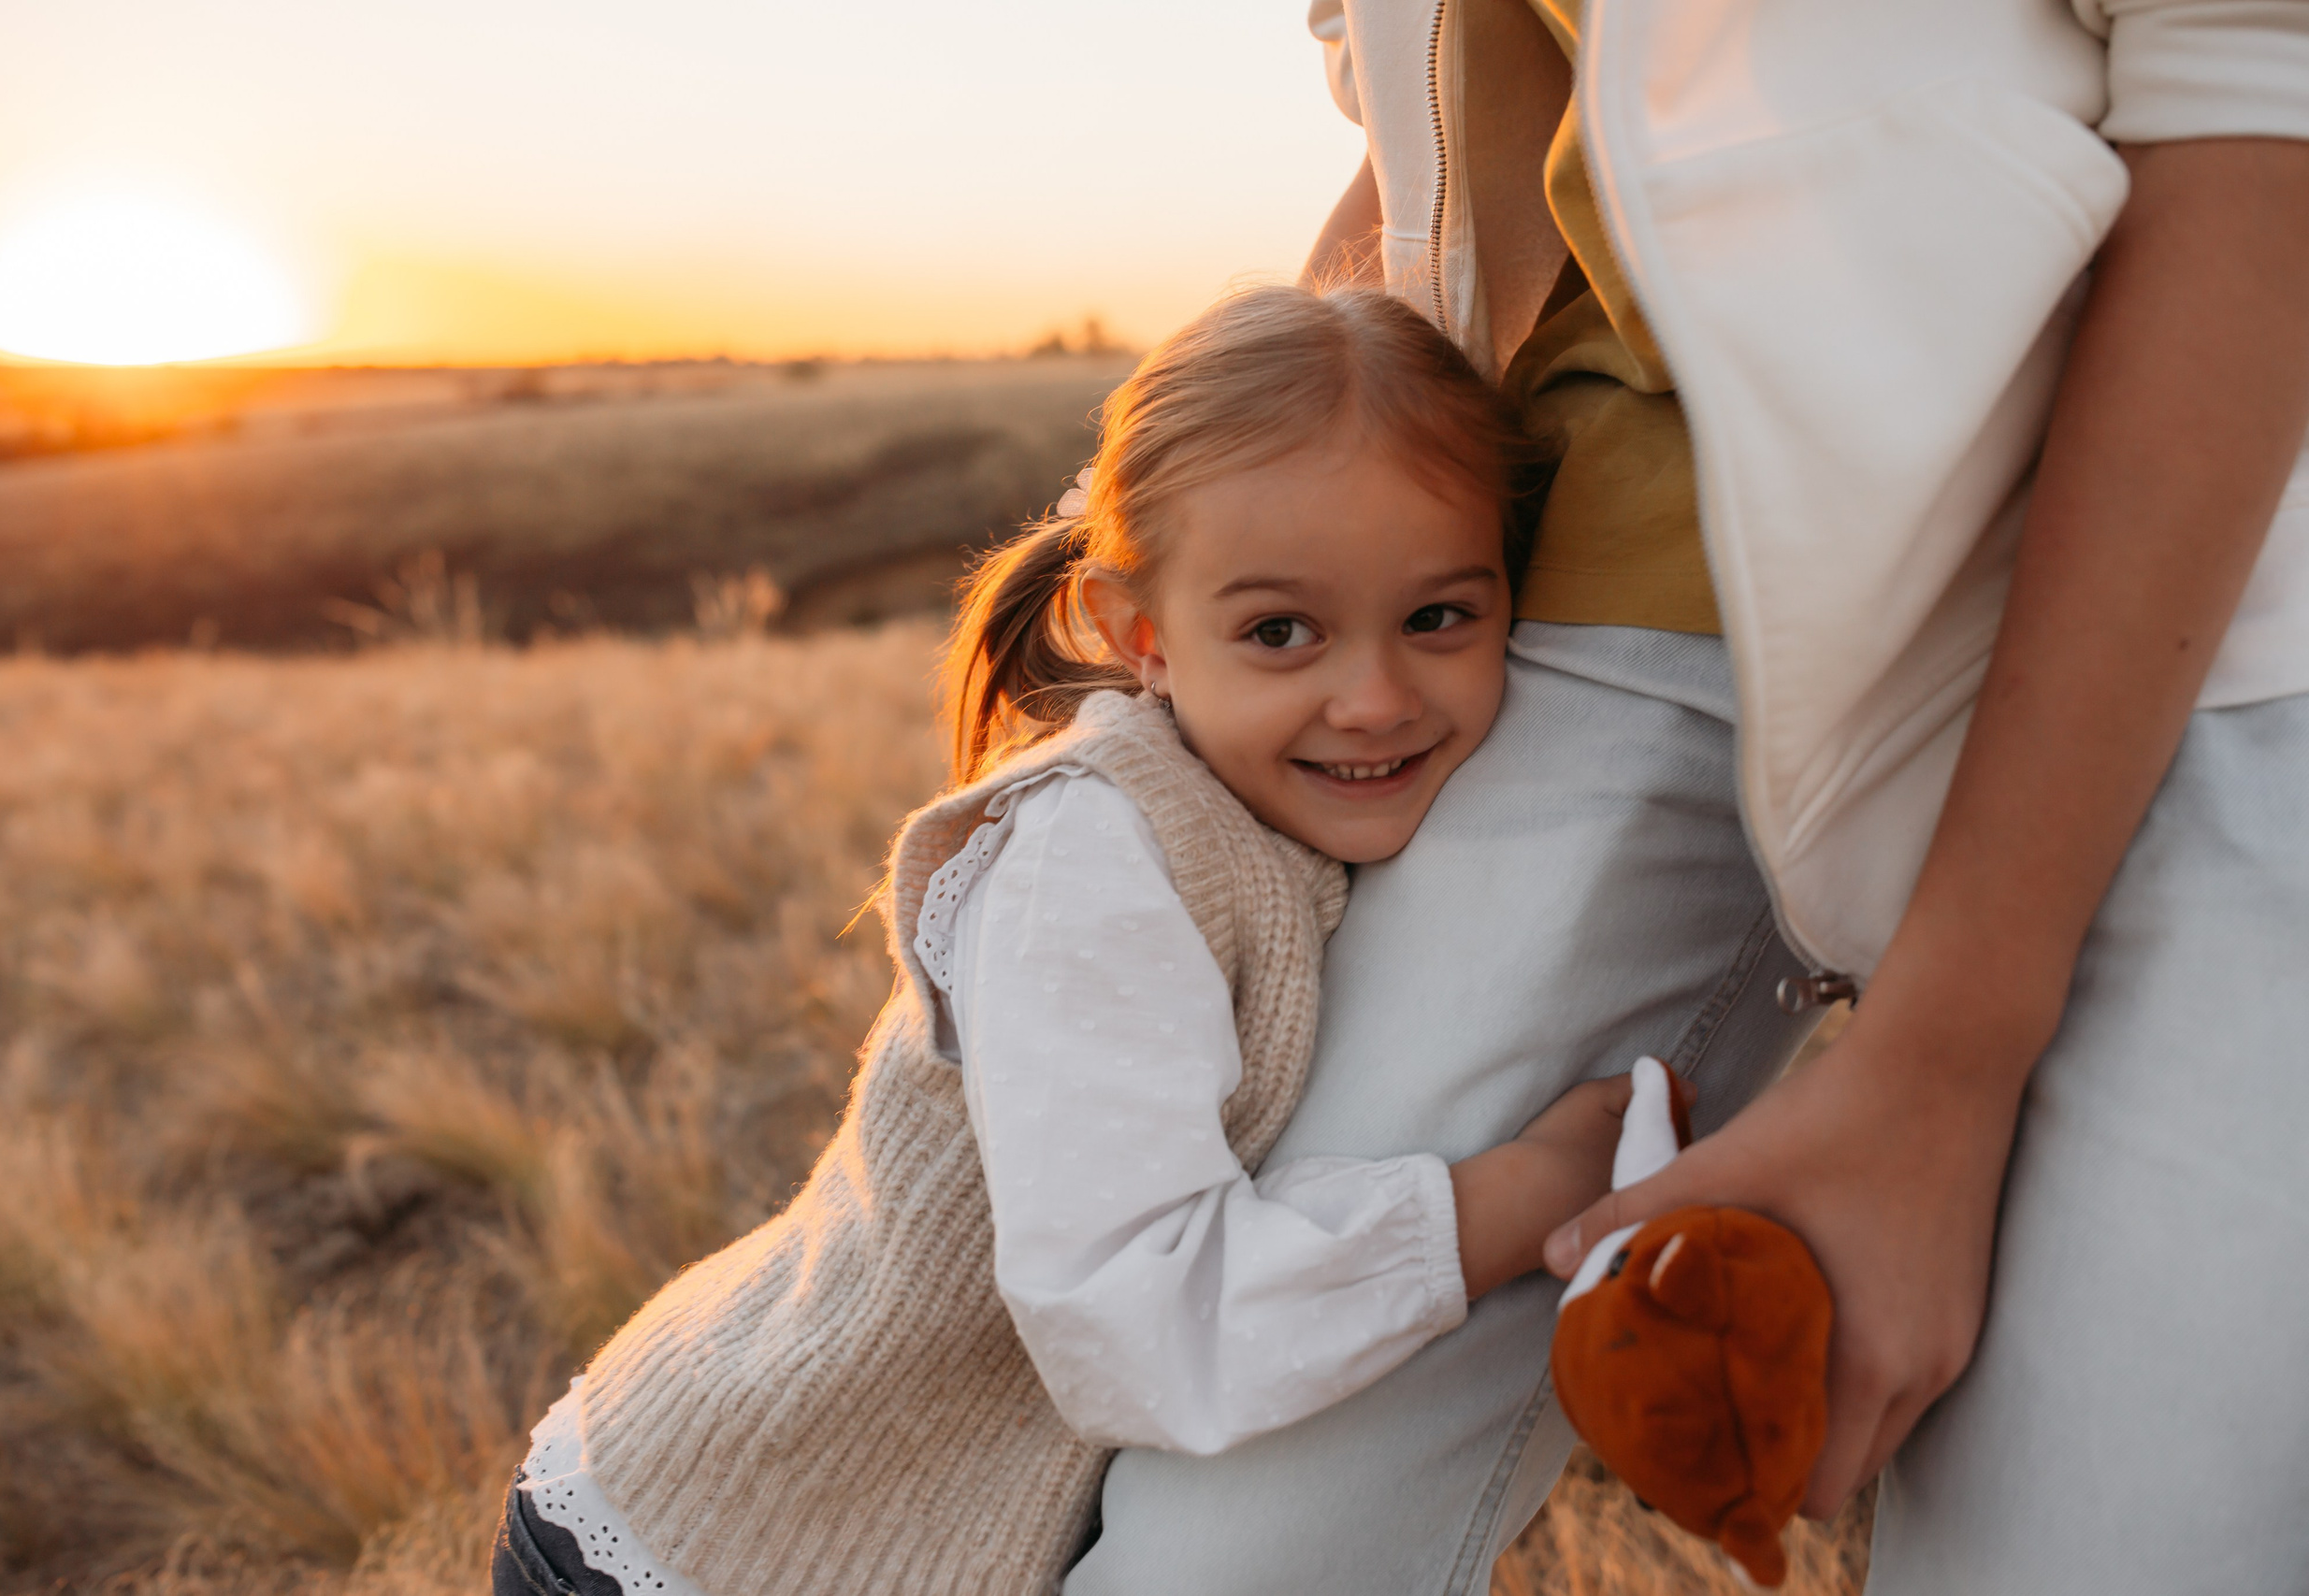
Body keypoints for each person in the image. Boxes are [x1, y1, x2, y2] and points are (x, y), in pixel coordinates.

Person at [1062, 3, 2309, 1594]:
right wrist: (1206, 621)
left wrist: (1943, 1063)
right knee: (1237, 1550)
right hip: (1582, 585)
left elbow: (2260, 91)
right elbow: (1424, 125)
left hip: (2191, 591)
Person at [490, 284, 1662, 1596]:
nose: (1376, 698)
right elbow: (1140, 1322)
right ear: (1138, 634)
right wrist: (1514, 1201)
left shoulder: (1274, 815)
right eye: (1280, 632)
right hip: (718, 1547)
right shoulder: (1094, 864)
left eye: (1438, 617)